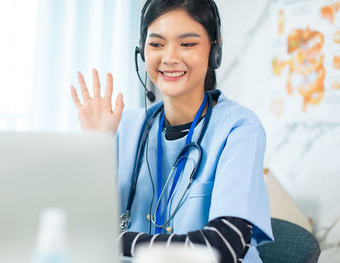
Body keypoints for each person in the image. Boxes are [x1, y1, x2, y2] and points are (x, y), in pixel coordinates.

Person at [70, 0, 273, 262]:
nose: (170, 57)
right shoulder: (125, 126)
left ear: (215, 51)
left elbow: (223, 245)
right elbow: (79, 230)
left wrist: (113, 241)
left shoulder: (239, 129)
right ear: (142, 51)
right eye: (156, 44)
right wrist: (95, 148)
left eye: (187, 44)